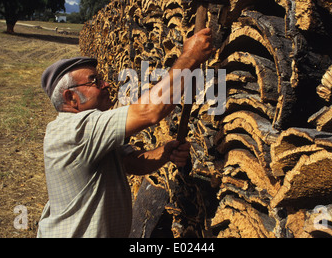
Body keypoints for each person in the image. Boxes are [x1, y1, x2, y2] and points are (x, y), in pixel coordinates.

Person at [37, 28, 214, 238]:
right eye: (94, 81)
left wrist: (165, 152)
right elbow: (150, 111)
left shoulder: (91, 134)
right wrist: (190, 57)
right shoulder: (75, 130)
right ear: (71, 98)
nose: (106, 84)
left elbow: (131, 163)